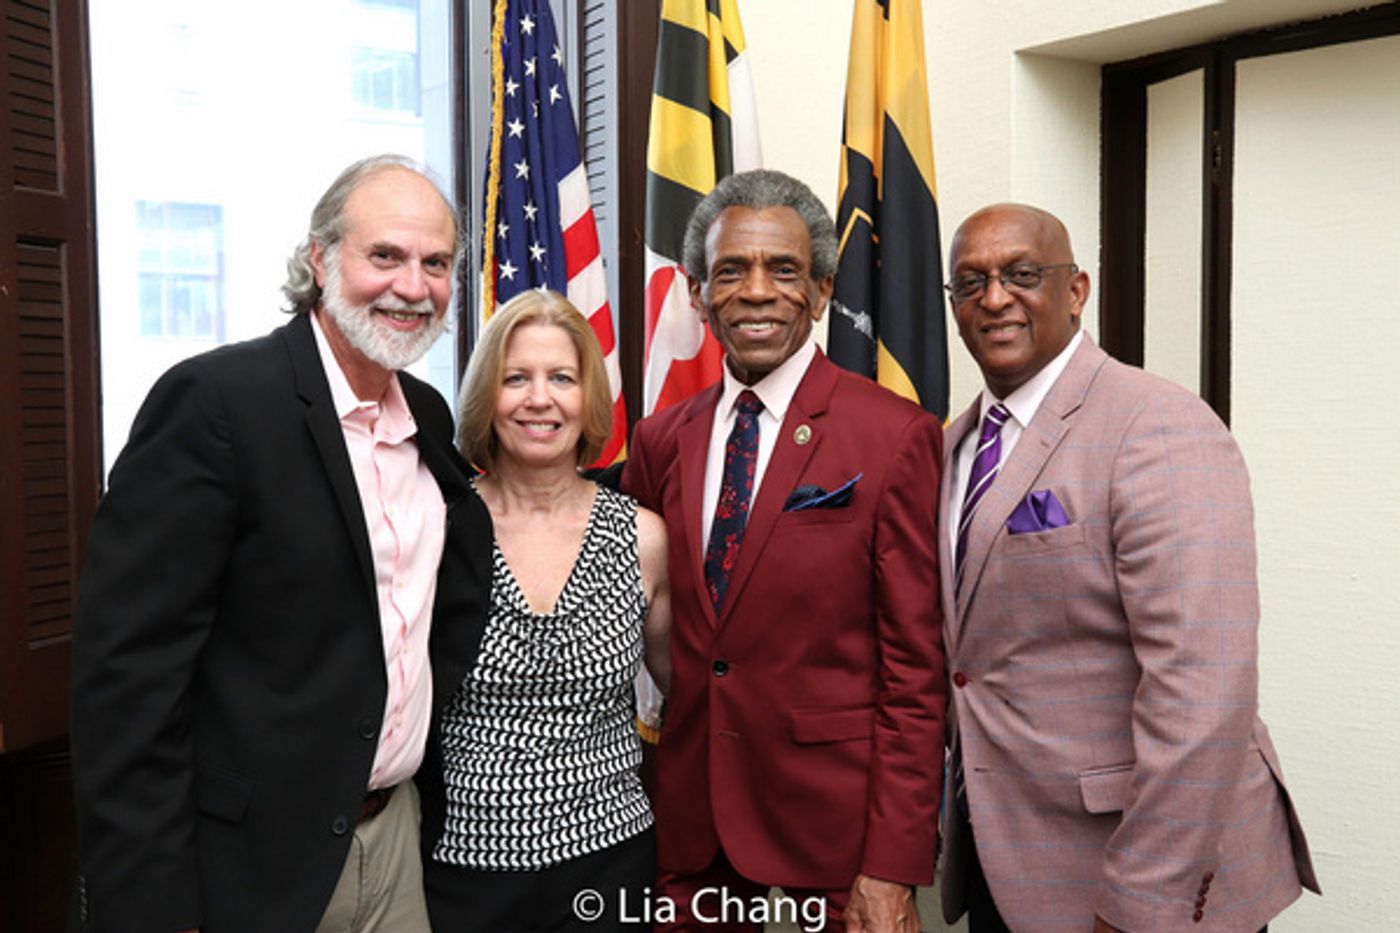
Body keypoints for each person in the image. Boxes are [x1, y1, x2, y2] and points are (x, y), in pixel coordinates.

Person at [70, 155, 492, 932]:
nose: (413, 285)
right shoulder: (216, 404)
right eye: (386, 255)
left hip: (396, 840)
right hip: (250, 865)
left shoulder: (429, 416)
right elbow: (128, 680)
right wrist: (154, 908)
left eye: (436, 263)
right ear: (320, 259)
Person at [937, 203, 1320, 933]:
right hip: (1005, 858)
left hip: (1136, 874)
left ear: (1076, 290)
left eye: (1022, 275)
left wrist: (1144, 900)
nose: (994, 298)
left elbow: (1203, 687)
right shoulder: (955, 446)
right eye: (970, 282)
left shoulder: (1156, 424)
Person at [622, 169, 946, 933]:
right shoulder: (660, 441)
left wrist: (892, 863)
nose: (757, 292)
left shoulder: (895, 436)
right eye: (732, 270)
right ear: (698, 293)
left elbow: (915, 672)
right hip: (691, 826)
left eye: (784, 269)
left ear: (823, 290)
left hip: (835, 831)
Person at [416, 289, 671, 932]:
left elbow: (687, 692)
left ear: (588, 397)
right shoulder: (438, 527)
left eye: (561, 378)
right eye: (515, 379)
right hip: (461, 873)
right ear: (486, 396)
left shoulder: (643, 537)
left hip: (610, 867)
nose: (539, 399)